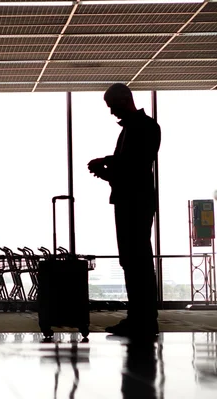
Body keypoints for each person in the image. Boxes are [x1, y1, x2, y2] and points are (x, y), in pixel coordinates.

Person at [87, 83, 161, 338]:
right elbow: (133, 166)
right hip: (134, 199)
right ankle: (141, 317)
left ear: (124, 100)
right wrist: (107, 169)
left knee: (136, 260)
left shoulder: (142, 128)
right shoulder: (141, 128)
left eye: (112, 106)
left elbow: (133, 167)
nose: (111, 113)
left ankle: (143, 319)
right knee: (134, 260)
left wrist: (106, 166)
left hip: (134, 201)